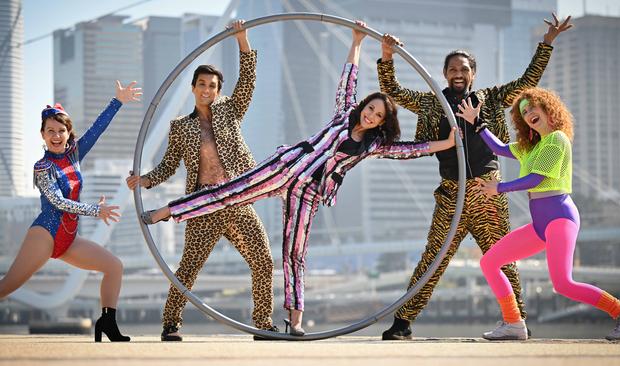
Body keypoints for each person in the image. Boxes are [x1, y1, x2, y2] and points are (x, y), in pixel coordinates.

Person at [140, 21, 456, 336]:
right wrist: (356, 41)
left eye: (378, 116)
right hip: (285, 167)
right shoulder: (344, 113)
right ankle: (166, 214)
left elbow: (411, 149)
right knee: (226, 195)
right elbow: (349, 78)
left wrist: (446, 143)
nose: (370, 115)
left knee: (292, 253)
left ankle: (294, 320)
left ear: (382, 123)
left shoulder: (373, 146)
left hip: (309, 192)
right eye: (369, 108)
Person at [377, 13, 573, 340]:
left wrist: (547, 42)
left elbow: (528, 80)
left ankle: (517, 321)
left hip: (487, 191)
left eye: (464, 69)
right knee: (433, 260)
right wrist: (386, 56)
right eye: (452, 69)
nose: (458, 74)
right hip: (451, 193)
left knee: (504, 258)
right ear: (444, 73)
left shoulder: (490, 99)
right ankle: (403, 322)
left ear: (473, 74)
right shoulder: (431, 102)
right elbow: (393, 91)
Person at [456, 87, 620, 341]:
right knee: (489, 262)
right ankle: (513, 323)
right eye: (524, 112)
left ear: (548, 109)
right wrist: (477, 123)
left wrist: (499, 188)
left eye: (534, 107)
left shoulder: (558, 139)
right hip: (540, 223)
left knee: (563, 284)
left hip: (560, 217)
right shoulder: (530, 147)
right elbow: (500, 148)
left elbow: (537, 178)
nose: (529, 113)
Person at [126, 20, 277, 341]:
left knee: (263, 260)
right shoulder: (180, 127)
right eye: (202, 84)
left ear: (218, 91)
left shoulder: (230, 111)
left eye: (212, 86)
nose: (207, 90)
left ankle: (263, 324)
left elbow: (248, 82)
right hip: (203, 206)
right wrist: (144, 181)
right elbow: (168, 167)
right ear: (193, 88)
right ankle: (170, 323)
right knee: (188, 268)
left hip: (236, 199)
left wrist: (242, 39)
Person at [0, 81, 141, 342]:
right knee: (6, 287)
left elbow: (96, 130)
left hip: (68, 238)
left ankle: (107, 324)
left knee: (114, 267)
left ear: (68, 133)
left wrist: (117, 101)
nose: (56, 136)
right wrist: (94, 209)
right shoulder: (42, 167)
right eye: (50, 131)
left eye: (61, 131)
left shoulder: (74, 155)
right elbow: (57, 201)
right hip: (45, 233)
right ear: (42, 134)